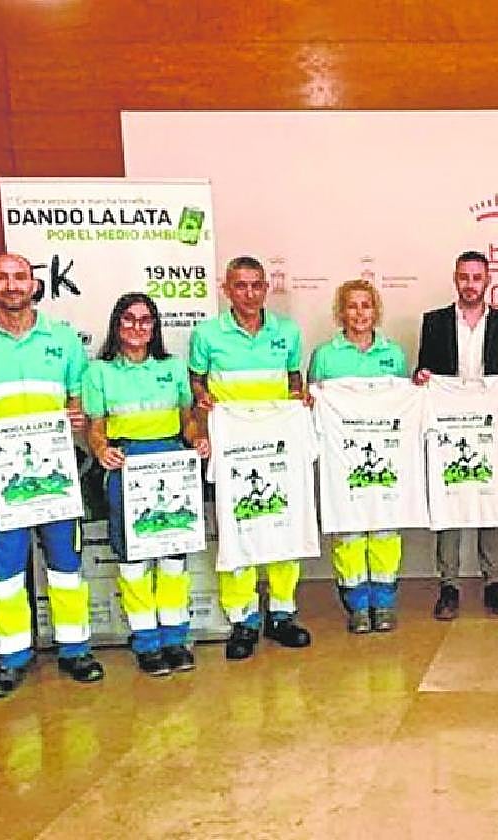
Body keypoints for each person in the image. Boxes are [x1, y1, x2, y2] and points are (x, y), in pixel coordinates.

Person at [0, 253, 103, 697]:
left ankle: (75, 649)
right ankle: (12, 658)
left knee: (65, 566)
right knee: (5, 574)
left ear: (34, 284)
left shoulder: (63, 339)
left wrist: (77, 417)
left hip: (56, 475)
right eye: (2, 277)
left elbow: (79, 399)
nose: (12, 285)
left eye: (20, 276)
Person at [188, 255, 312, 660]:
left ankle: (282, 613)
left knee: (282, 523)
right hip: (234, 448)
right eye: (240, 285)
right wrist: (201, 401)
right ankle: (243, 620)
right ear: (226, 290)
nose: (249, 293)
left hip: (277, 446)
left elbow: (294, 379)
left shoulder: (288, 332)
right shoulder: (207, 334)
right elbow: (195, 381)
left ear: (266, 288)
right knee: (237, 527)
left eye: (256, 285)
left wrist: (300, 397)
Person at [83, 293, 210, 676]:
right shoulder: (99, 372)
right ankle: (146, 643)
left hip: (171, 461)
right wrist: (102, 449)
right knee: (134, 558)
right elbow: (95, 426)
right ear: (116, 325)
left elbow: (187, 417)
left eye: (145, 320)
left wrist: (197, 437)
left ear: (155, 327)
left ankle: (175, 638)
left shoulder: (172, 367)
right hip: (127, 465)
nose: (137, 327)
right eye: (128, 320)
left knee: (172, 556)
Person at [414, 250, 498, 620]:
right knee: (450, 498)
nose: (470, 284)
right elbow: (423, 371)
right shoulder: (434, 322)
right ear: (455, 279)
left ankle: (494, 583)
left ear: (487, 280)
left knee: (491, 495)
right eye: (464, 277)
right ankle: (449, 585)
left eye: (477, 277)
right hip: (451, 425)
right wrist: (423, 378)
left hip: (492, 425)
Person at [308, 278, 408, 633]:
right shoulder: (325, 355)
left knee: (384, 529)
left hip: (384, 457)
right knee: (348, 532)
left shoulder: (393, 354)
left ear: (376, 310)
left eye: (366, 305)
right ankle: (356, 605)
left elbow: (403, 405)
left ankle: (383, 604)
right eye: (352, 306)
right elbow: (311, 404)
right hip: (342, 459)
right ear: (341, 312)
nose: (360, 313)